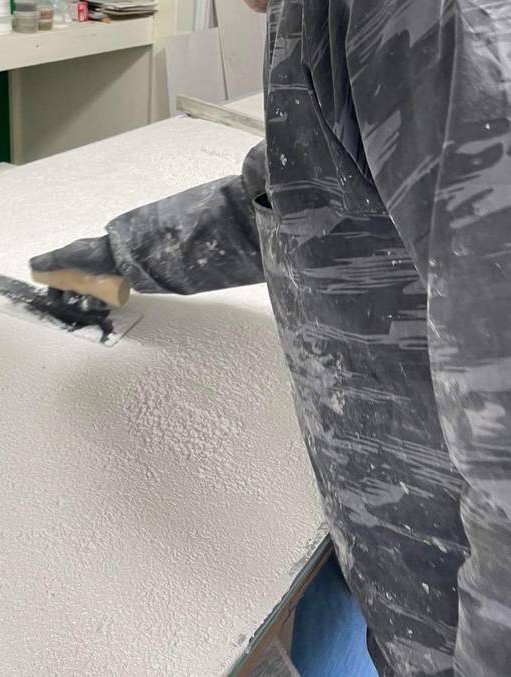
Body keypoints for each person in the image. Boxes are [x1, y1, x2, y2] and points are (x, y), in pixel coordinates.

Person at [30, 2, 511, 675]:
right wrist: (119, 257)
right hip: (411, 578)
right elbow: (304, 189)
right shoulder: (320, 13)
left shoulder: (425, 15)